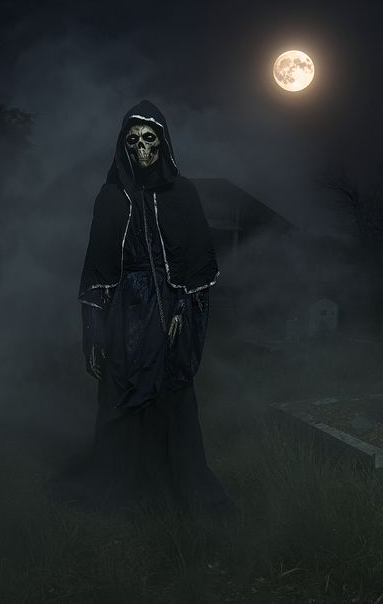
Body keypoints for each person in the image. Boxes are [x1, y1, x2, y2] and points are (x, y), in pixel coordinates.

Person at [59, 99, 230, 516]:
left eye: (149, 139)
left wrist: (182, 309)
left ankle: (176, 484)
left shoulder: (183, 193)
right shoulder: (112, 196)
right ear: (123, 144)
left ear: (163, 143)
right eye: (132, 139)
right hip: (127, 310)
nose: (141, 148)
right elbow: (97, 269)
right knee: (121, 393)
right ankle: (119, 486)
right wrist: (93, 333)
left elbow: (199, 259)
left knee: (171, 395)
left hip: (169, 308)